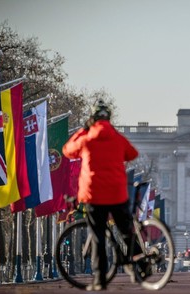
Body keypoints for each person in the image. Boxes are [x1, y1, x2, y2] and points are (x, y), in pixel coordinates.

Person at [63, 100, 140, 291]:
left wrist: (82, 130)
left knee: (98, 236)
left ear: (93, 119)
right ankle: (140, 263)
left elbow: (67, 151)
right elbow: (132, 154)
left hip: (94, 195)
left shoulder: (86, 138)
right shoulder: (117, 138)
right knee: (126, 230)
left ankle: (100, 278)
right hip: (117, 193)